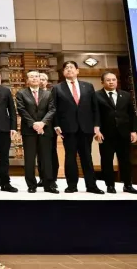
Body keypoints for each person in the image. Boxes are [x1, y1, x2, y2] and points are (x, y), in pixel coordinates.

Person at [52, 61, 104, 194]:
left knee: (87, 156)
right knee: (70, 157)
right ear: (63, 72)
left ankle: (91, 185)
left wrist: (96, 125)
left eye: (71, 67)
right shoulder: (57, 88)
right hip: (68, 128)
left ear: (77, 70)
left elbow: (95, 108)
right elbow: (54, 109)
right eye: (66, 68)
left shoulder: (88, 86)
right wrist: (56, 125)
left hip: (86, 127)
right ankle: (72, 185)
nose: (69, 70)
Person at [16, 71, 58, 194]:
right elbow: (21, 110)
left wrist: (42, 123)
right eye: (31, 77)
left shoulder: (48, 94)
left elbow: (52, 110)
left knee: (46, 158)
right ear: (27, 80)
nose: (34, 78)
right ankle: (31, 185)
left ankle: (48, 184)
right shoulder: (21, 93)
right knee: (29, 159)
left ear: (40, 79)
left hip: (45, 129)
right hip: (29, 130)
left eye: (36, 76)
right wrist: (34, 124)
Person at [96, 72, 137, 194]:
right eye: (108, 80)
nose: (111, 82)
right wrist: (96, 130)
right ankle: (110, 185)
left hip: (123, 133)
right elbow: (95, 114)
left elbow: (132, 114)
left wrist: (133, 131)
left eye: (113, 80)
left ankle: (128, 185)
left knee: (125, 160)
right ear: (102, 82)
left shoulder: (126, 95)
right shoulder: (96, 95)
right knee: (107, 160)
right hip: (105, 134)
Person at [37, 72, 58, 188]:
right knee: (40, 154)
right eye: (39, 79)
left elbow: (54, 111)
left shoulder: (51, 94)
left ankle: (52, 179)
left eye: (43, 79)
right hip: (36, 127)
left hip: (49, 127)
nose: (41, 81)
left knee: (51, 153)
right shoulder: (32, 93)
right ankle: (42, 177)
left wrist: (45, 123)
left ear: (47, 81)